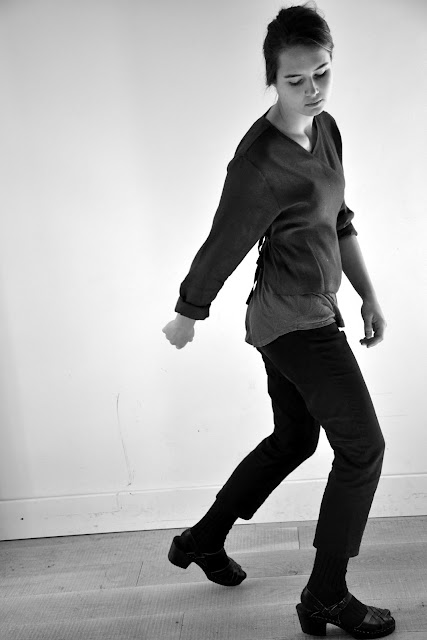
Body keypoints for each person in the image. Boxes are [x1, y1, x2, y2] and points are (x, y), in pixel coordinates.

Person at [162, 3, 395, 638]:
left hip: (310, 309)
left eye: (322, 73)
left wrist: (368, 295)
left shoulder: (327, 130)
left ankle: (203, 539)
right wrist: (189, 310)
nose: (312, 89)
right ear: (272, 78)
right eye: (295, 79)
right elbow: (224, 241)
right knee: (363, 448)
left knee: (295, 439)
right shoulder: (258, 163)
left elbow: (338, 220)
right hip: (292, 321)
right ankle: (325, 596)